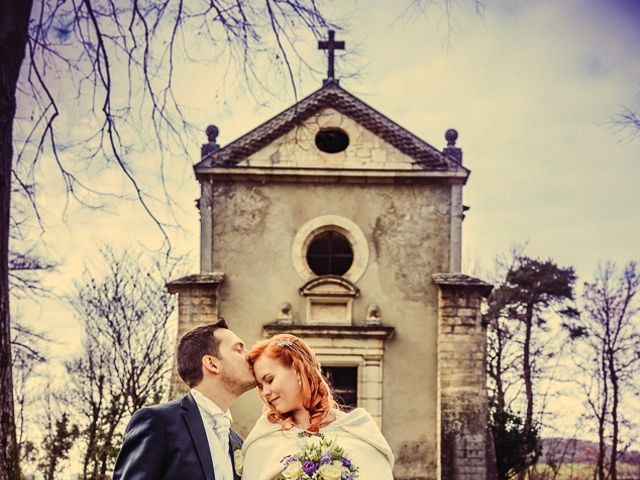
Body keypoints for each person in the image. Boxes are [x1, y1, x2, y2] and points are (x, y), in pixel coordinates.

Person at [113, 319, 256, 480]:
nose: (250, 356)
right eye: (239, 350)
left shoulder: (238, 442)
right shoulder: (158, 422)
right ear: (212, 363)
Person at [241, 334, 395, 480]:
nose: (265, 392)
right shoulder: (262, 439)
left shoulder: (358, 430)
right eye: (260, 386)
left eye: (270, 379)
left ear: (298, 370)